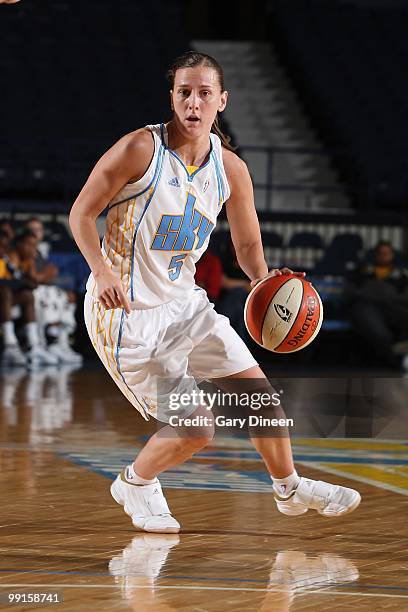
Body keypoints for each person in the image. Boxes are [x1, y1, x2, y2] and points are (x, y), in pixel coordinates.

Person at [69, 51, 360, 533]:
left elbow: (246, 244)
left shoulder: (231, 169)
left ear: (222, 100)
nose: (194, 102)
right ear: (172, 97)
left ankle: (288, 489)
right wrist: (101, 271)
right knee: (197, 427)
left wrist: (264, 279)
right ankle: (135, 483)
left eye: (205, 93)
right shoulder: (140, 149)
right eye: (184, 91)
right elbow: (81, 214)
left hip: (185, 304)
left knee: (261, 398)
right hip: (127, 315)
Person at [345, 240, 408, 369]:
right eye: (381, 253)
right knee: (381, 334)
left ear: (392, 255)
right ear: (375, 254)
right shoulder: (362, 270)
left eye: (387, 253)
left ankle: (401, 355)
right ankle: (393, 362)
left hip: (393, 305)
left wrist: (391, 298)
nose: (384, 256)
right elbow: (349, 291)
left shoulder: (402, 274)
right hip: (366, 306)